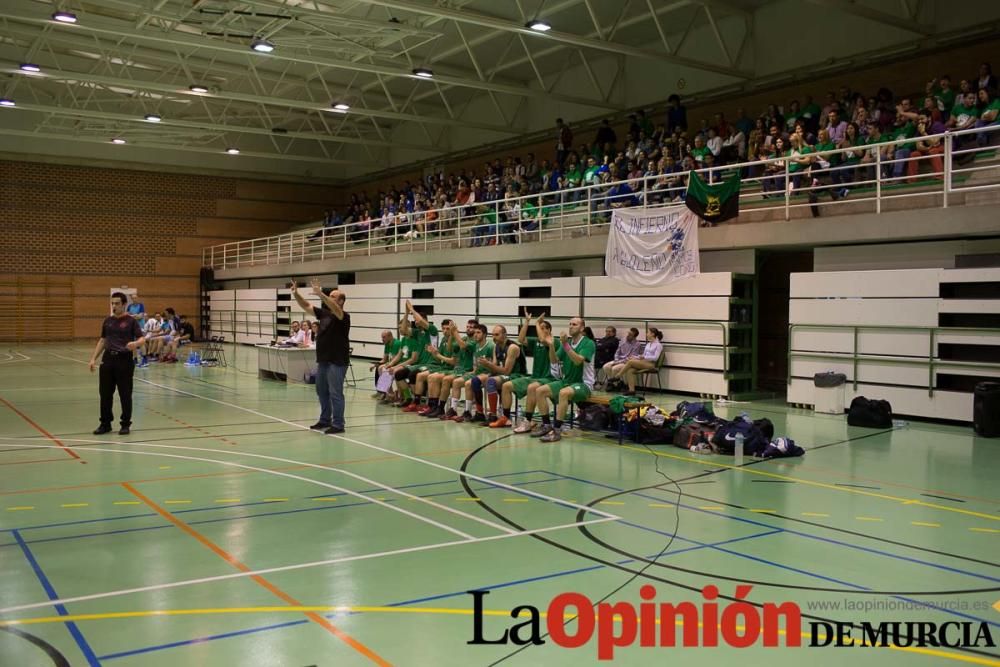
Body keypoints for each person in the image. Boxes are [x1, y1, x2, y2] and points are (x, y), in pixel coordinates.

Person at [291, 279, 350, 435]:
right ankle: (325, 420)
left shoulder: (343, 316)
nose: (330, 298)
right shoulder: (323, 314)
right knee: (321, 391)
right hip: (323, 361)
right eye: (329, 295)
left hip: (337, 361)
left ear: (341, 301)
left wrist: (321, 294)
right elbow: (305, 305)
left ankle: (338, 424)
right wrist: (296, 294)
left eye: (333, 296)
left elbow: (336, 309)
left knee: (335, 393)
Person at [525, 316, 596, 443]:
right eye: (570, 324)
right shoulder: (567, 343)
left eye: (574, 324)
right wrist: (552, 346)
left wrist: (565, 345)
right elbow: (554, 360)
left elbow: (578, 360)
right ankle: (547, 425)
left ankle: (557, 430)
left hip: (583, 384)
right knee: (540, 391)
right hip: (567, 381)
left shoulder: (588, 343)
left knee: (564, 393)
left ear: (582, 328)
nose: (571, 326)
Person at [89, 291, 146, 435]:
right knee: (105, 393)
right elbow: (103, 340)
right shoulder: (108, 321)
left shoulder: (131, 321)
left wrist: (135, 343)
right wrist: (93, 359)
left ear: (124, 304)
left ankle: (125, 424)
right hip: (108, 360)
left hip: (124, 360)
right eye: (112, 303)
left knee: (125, 394)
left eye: (117, 303)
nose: (114, 306)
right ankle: (105, 423)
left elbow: (142, 339)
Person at [613, 328, 664, 395]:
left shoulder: (658, 345)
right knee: (630, 370)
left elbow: (655, 358)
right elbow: (643, 355)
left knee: (630, 362)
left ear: (652, 334)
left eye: (648, 332)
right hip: (643, 362)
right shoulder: (648, 344)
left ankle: (618, 376)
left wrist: (644, 357)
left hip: (651, 364)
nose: (646, 334)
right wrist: (635, 357)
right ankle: (632, 390)